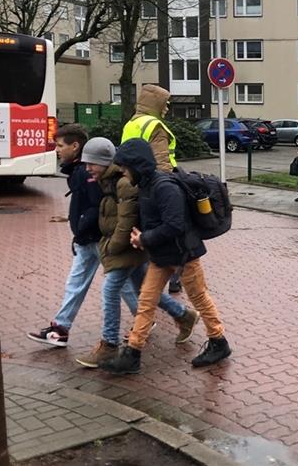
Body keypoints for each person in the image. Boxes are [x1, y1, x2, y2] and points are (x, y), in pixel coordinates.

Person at [99, 138, 231, 374]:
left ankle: (219, 341)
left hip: (184, 254)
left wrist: (144, 239)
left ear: (137, 166)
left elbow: (175, 225)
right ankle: (133, 353)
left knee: (199, 297)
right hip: (161, 255)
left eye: (126, 169)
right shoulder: (146, 185)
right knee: (146, 302)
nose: (125, 175)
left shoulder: (164, 187)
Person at [74, 138, 200, 368]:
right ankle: (183, 315)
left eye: (91, 163)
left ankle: (109, 344)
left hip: (128, 246)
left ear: (104, 162)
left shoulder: (122, 182)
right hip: (130, 244)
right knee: (145, 291)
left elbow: (127, 219)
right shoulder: (108, 179)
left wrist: (112, 247)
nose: (87, 168)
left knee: (110, 289)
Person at [27, 124, 123, 347]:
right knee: (76, 283)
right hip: (86, 240)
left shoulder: (84, 172)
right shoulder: (79, 171)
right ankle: (60, 328)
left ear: (75, 146)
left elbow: (95, 205)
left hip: (96, 239)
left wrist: (80, 228)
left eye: (60, 145)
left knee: (126, 287)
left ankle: (165, 317)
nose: (57, 150)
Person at [120, 83, 182, 294]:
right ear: (156, 104)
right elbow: (162, 161)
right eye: (165, 104)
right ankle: (172, 278)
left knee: (143, 228)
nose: (166, 109)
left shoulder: (131, 123)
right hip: (158, 185)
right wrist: (167, 186)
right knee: (170, 232)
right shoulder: (155, 125)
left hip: (134, 181)